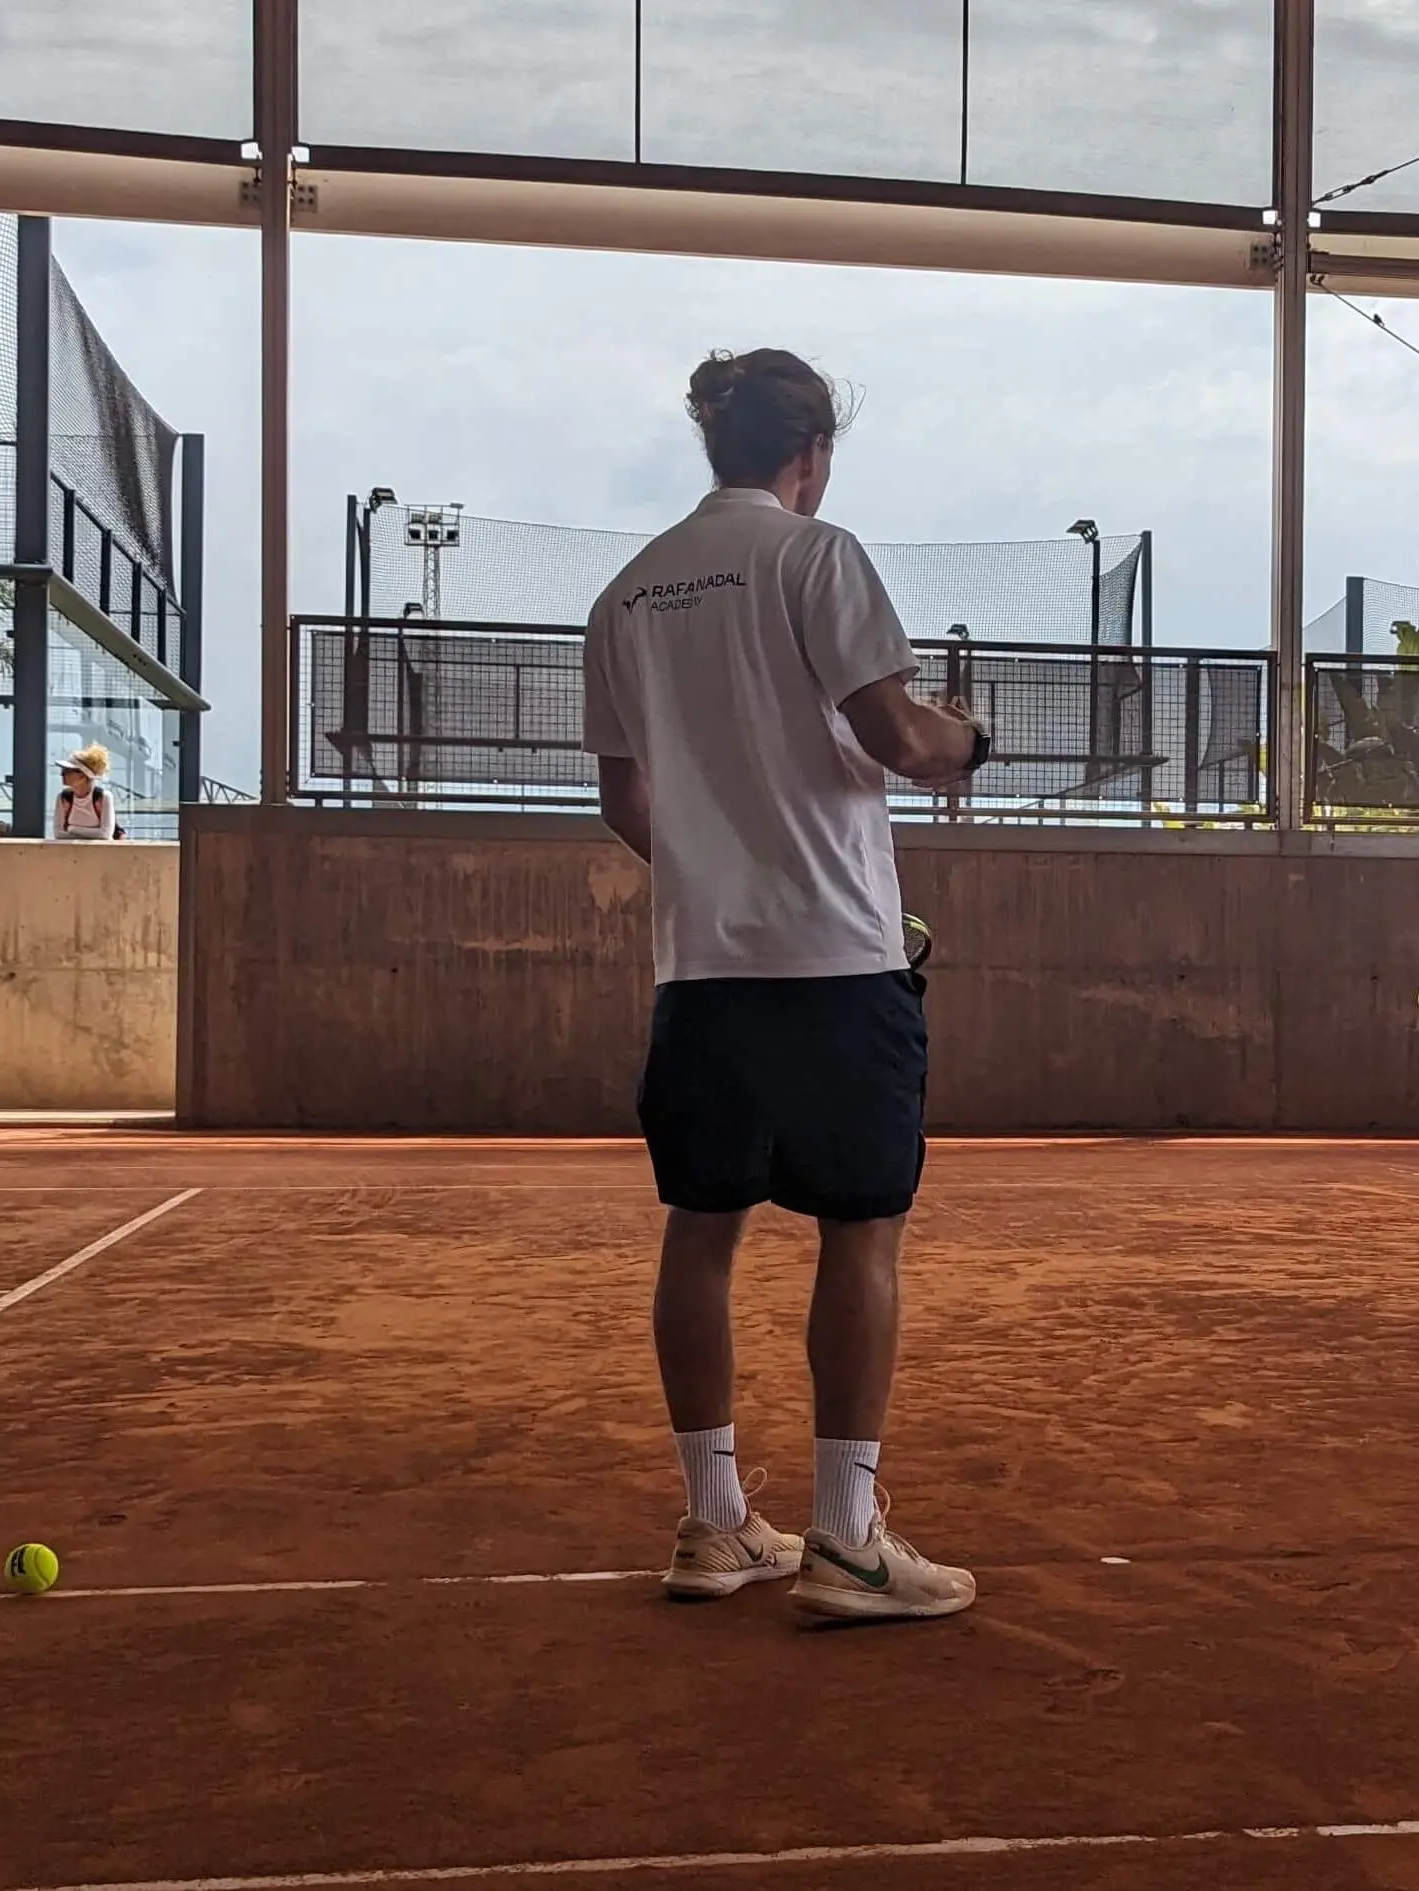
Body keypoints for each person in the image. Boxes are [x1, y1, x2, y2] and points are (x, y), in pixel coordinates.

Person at [584, 347, 989, 1624]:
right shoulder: (819, 557)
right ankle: (849, 1538)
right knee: (859, 1227)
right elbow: (896, 735)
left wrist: (719, 862)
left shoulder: (627, 592)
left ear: (719, 445)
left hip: (702, 971)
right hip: (835, 962)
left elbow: (623, 799)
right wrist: (971, 738)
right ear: (809, 457)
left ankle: (714, 1527)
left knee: (701, 1230)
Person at [52, 745, 118, 841]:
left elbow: (105, 834)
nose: (62, 774)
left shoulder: (103, 797)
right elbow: (58, 834)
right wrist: (92, 834)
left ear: (83, 776)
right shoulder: (63, 798)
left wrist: (72, 829)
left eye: (67, 770)